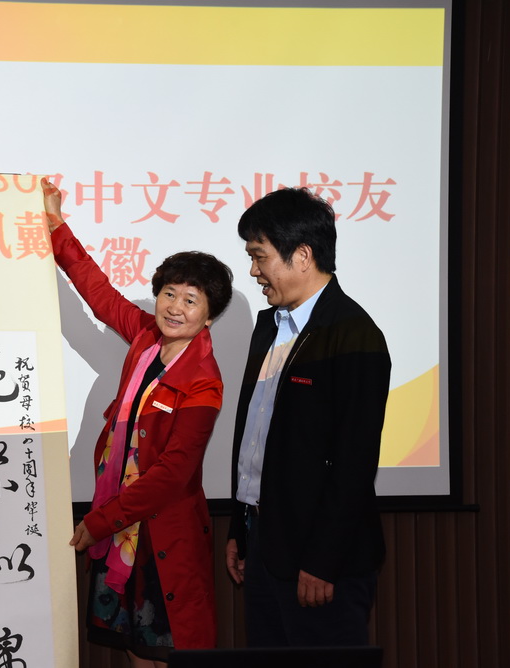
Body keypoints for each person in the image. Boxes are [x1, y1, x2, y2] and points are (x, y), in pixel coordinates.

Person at [43, 178, 233, 666]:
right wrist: (57, 226)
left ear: (209, 316)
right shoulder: (147, 336)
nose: (175, 307)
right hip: (121, 521)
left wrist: (100, 521)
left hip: (161, 534)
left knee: (165, 649)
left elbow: (172, 474)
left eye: (191, 300)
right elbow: (99, 294)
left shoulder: (204, 382)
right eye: (170, 294)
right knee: (134, 648)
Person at [224, 187, 391, 647]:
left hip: (318, 562)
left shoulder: (354, 335)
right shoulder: (270, 326)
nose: (253, 271)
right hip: (263, 542)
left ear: (302, 255)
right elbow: (256, 439)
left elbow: (354, 462)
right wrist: (240, 527)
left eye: (259, 257)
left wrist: (322, 561)